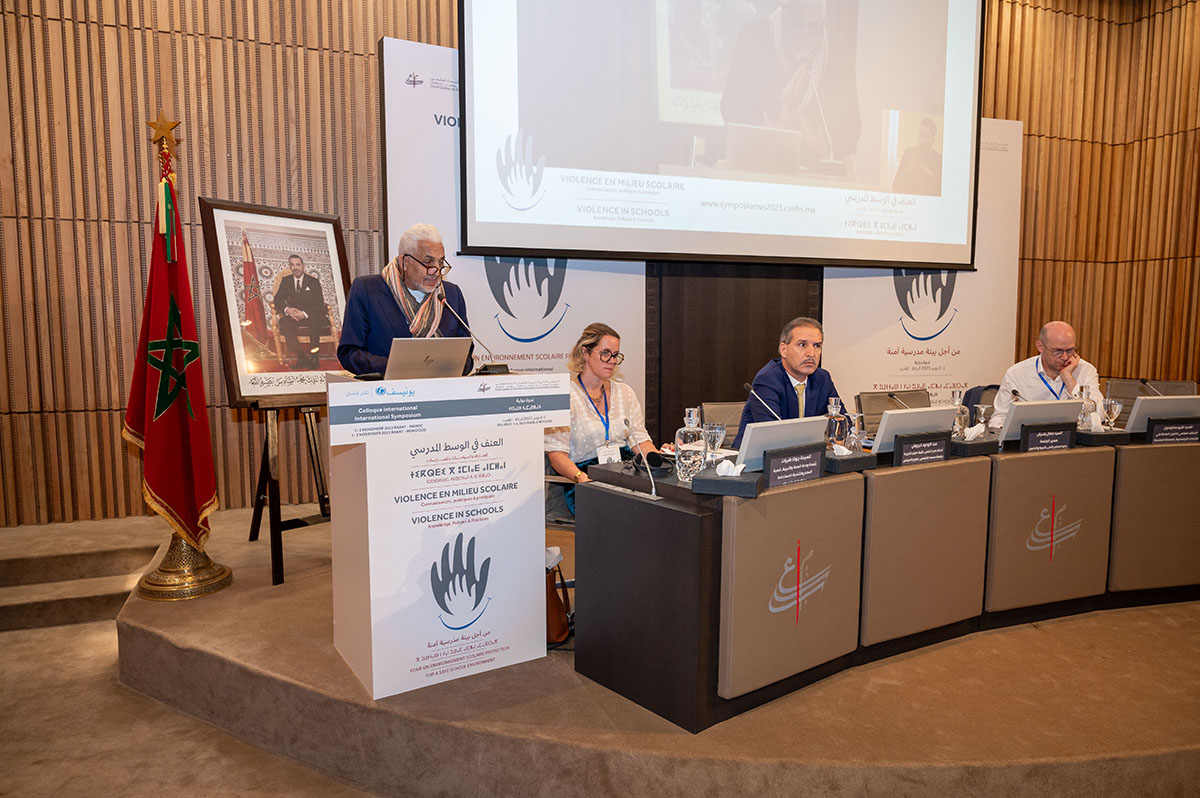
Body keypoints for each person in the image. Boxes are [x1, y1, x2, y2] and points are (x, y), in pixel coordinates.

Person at [545, 323, 656, 516]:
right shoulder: (565, 396)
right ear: (585, 352)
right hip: (585, 479)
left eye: (615, 355)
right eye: (605, 353)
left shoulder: (625, 393)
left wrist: (660, 462)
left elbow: (640, 440)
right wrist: (582, 479)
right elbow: (557, 455)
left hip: (625, 474)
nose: (612, 361)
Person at [337, 223, 472, 376]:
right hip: (386, 388)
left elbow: (466, 354)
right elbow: (349, 352)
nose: (436, 271)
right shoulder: (367, 291)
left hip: (442, 387)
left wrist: (444, 367)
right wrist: (400, 368)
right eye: (428, 262)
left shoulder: (451, 295)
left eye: (440, 262)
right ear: (404, 262)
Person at [731, 316, 839, 448]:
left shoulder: (822, 378)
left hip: (804, 455)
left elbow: (842, 421)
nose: (811, 353)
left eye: (817, 346)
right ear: (784, 350)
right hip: (756, 457)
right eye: (802, 345)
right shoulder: (767, 380)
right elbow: (772, 434)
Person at [989, 320, 1101, 429]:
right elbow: (999, 418)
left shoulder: (1085, 370)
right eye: (1058, 351)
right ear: (1040, 347)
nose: (1065, 357)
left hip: (1075, 439)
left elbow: (1099, 416)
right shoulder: (1016, 374)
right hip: (1029, 437)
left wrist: (1068, 378)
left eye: (1070, 350)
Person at [273, 254, 329, 369]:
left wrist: (304, 314)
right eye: (292, 265)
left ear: (303, 266)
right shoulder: (286, 280)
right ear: (289, 266)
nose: (295, 268)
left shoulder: (313, 281)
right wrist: (288, 310)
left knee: (314, 321)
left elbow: (319, 304)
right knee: (284, 322)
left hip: (312, 315)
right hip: (294, 315)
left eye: (298, 264)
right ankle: (301, 357)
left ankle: (314, 358)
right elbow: (278, 299)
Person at [892, 117, 943, 196]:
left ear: (933, 139)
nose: (922, 139)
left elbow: (941, 190)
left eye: (927, 136)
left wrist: (928, 172)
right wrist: (909, 168)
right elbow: (896, 185)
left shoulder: (938, 158)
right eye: (921, 134)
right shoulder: (909, 153)